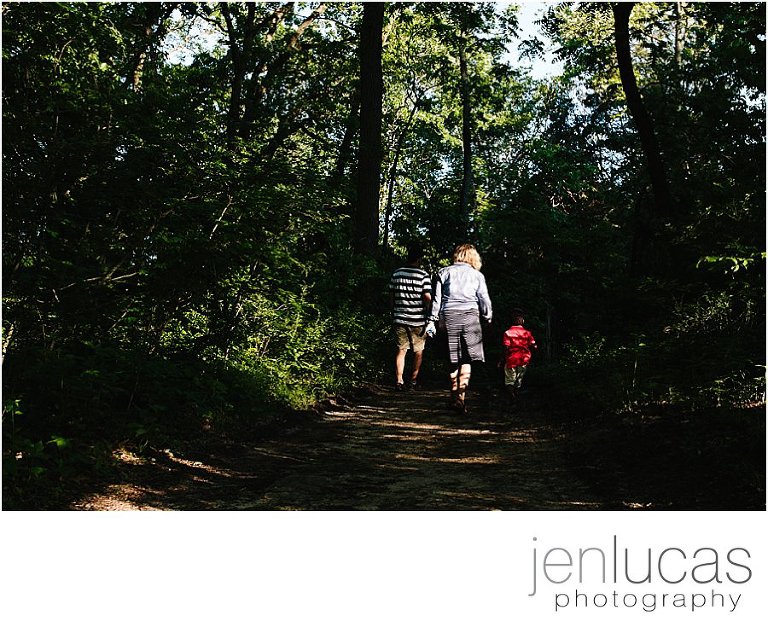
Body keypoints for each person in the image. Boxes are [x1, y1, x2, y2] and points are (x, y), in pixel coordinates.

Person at [429, 244, 492, 413]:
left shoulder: (443, 272)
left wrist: (432, 319)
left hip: (448, 316)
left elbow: (437, 300)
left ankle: (453, 395)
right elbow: (483, 299)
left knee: (452, 357)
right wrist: (488, 317)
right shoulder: (477, 275)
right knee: (467, 359)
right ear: (473, 257)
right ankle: (461, 398)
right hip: (470, 316)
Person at [389, 244, 432, 391]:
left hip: (400, 317)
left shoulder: (397, 273)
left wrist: (393, 312)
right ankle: (413, 382)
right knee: (418, 351)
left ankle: (399, 381)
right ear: (419, 258)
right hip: (418, 320)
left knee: (401, 350)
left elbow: (392, 296)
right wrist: (430, 310)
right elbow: (427, 297)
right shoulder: (423, 275)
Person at [501, 308, 537, 402]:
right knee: (518, 380)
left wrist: (502, 359)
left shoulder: (507, 333)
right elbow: (534, 346)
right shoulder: (527, 333)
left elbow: (506, 347)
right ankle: (516, 395)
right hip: (524, 359)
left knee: (509, 380)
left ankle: (512, 397)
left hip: (511, 359)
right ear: (522, 321)